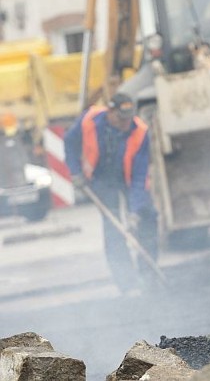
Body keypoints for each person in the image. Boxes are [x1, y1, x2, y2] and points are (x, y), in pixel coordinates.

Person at [64, 92, 160, 295]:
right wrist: (75, 172)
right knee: (113, 230)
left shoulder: (140, 132)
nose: (126, 124)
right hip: (101, 180)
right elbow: (69, 142)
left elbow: (140, 177)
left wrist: (135, 212)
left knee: (147, 217)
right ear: (110, 112)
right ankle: (126, 283)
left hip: (129, 178)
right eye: (121, 119)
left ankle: (148, 275)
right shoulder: (89, 119)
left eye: (129, 118)